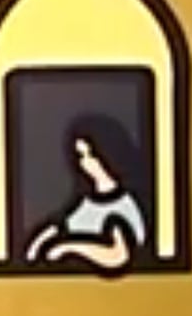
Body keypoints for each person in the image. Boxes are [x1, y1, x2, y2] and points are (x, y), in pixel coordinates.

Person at [24, 116, 149, 274]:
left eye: (91, 155)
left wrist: (68, 247)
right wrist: (36, 248)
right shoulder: (84, 203)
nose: (86, 162)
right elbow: (63, 226)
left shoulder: (124, 206)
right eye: (81, 156)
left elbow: (118, 255)